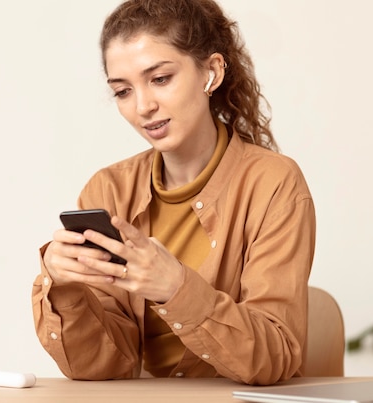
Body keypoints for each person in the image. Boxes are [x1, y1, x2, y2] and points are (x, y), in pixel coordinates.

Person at [32, 0, 315, 386]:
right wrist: (61, 286)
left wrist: (176, 288)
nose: (144, 107)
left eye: (160, 79)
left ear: (211, 72)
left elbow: (275, 355)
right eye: (123, 91)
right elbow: (104, 367)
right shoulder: (108, 189)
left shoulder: (273, 183)